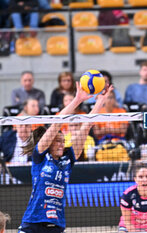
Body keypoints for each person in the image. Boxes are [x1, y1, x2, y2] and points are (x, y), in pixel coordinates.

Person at [18, 82, 113, 233]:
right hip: (33, 222)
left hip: (56, 224)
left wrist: (100, 101)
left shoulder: (67, 159)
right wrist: (77, 100)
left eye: (63, 141)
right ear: (49, 143)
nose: (62, 144)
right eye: (57, 141)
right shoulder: (41, 156)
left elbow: (87, 126)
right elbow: (56, 125)